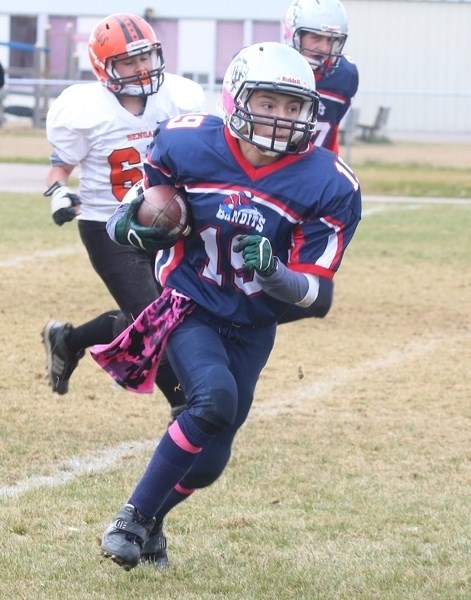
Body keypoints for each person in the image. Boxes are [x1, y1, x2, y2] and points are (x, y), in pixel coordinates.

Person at [92, 41, 361, 571]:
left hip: (254, 322)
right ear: (237, 99)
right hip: (191, 299)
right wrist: (130, 224)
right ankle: (130, 517)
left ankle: (152, 523)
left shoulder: (327, 182)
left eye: (293, 107)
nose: (281, 118)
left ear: (311, 112)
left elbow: (317, 296)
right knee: (211, 400)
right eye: (268, 102)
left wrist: (275, 273)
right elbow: (144, 201)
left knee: (211, 461)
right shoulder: (189, 143)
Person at [40, 13, 205, 423]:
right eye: (128, 62)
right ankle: (184, 406)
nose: (141, 69)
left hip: (168, 224)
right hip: (108, 225)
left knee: (161, 314)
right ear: (104, 67)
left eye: (146, 57)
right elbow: (59, 168)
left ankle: (69, 341)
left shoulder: (179, 98)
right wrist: (58, 193)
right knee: (155, 318)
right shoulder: (84, 109)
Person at [283, 0, 359, 154]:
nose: (324, 48)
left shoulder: (343, 75)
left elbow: (332, 133)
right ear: (295, 35)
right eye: (316, 37)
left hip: (316, 167)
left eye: (331, 40)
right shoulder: (270, 67)